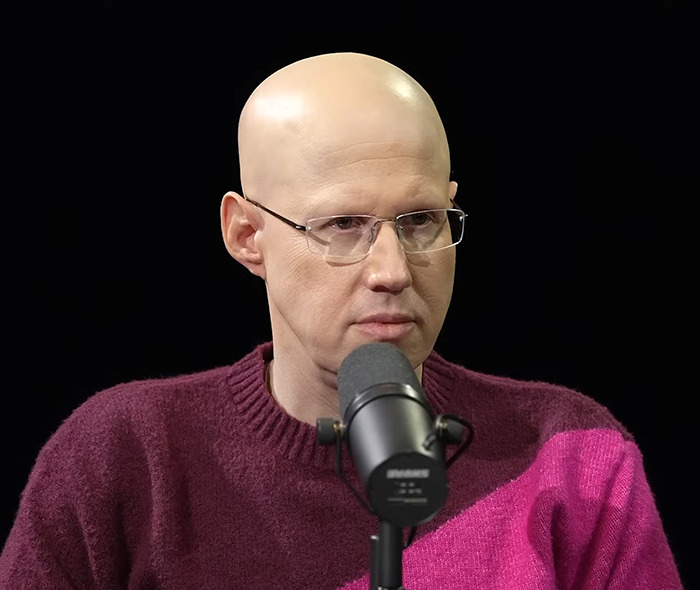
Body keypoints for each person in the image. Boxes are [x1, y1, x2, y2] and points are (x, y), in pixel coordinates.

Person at [0, 52, 682, 589]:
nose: (392, 269)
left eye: (419, 221)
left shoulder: (572, 454)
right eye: (343, 225)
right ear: (246, 236)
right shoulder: (123, 457)